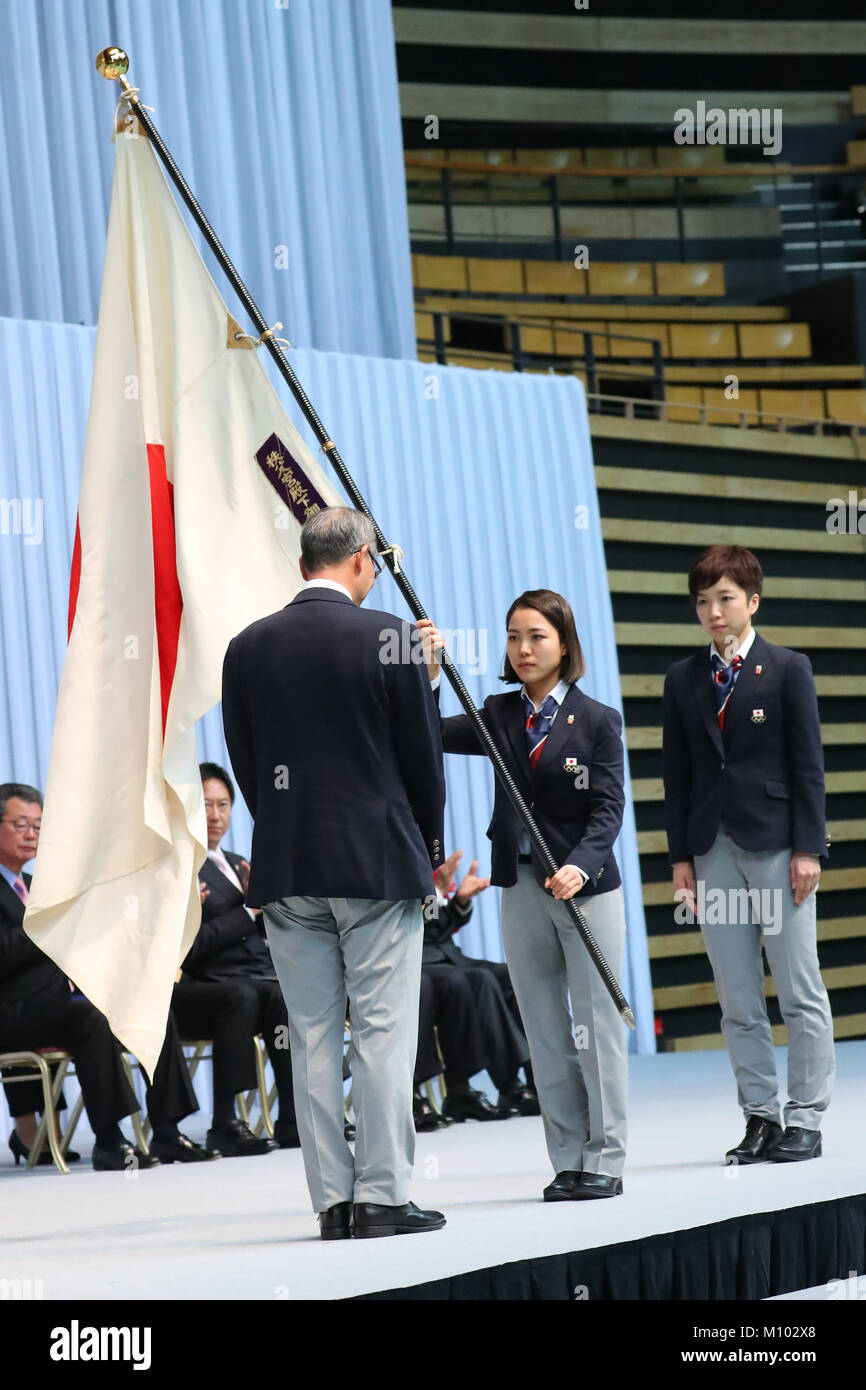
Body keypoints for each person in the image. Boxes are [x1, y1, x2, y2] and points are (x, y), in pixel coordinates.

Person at [221, 507, 447, 1240]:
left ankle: (333, 1202)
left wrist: (284, 831)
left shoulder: (245, 647)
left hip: (288, 863)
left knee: (311, 1032)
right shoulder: (389, 637)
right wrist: (427, 843)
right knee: (382, 1032)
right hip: (377, 860)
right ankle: (384, 1194)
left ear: (301, 566)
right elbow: (421, 759)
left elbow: (248, 764)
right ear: (361, 562)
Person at [422, 590, 629, 1201]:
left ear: (564, 643)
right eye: (514, 637)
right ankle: (567, 1158)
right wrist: (431, 675)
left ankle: (606, 1159)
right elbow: (428, 734)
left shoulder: (597, 721)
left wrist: (581, 866)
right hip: (521, 889)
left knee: (596, 1027)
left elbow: (608, 809)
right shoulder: (497, 713)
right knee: (544, 1028)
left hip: (585, 892)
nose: (523, 648)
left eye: (537, 636)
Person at [662, 545, 833, 1165]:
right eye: (703, 600)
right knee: (737, 996)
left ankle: (806, 1118)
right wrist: (681, 856)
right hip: (711, 850)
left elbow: (810, 768)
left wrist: (809, 847)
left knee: (798, 987)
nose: (712, 610)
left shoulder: (789, 668)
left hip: (779, 845)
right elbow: (676, 775)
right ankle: (760, 1116)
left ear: (752, 601)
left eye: (725, 598)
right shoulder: (682, 678)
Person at [0, 782, 192, 1170]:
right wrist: (48, 920)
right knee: (89, 1017)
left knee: (149, 1001)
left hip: (55, 999)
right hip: (12, 1009)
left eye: (38, 826)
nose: (31, 835)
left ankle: (167, 1130)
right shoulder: (40, 901)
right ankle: (109, 1137)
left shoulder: (35, 888)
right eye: (20, 824)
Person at [423, 848, 537, 1117]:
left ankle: (538, 1076)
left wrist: (459, 901)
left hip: (447, 956)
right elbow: (419, 929)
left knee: (510, 974)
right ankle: (510, 1086)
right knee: (482, 980)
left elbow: (435, 926)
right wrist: (438, 891)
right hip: (421, 962)